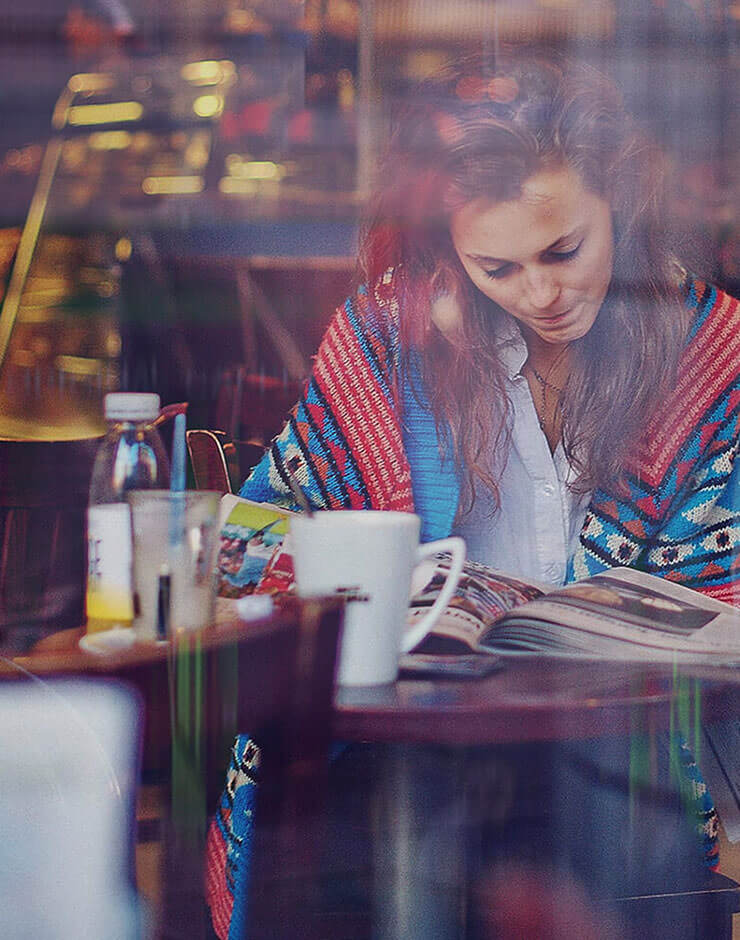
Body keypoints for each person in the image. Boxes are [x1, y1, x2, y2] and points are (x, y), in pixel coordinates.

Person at [209, 48, 737, 938]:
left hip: (627, 742)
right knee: (416, 797)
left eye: (565, 249)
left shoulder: (708, 353)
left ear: (623, 204)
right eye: (497, 268)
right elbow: (259, 532)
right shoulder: (389, 339)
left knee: (605, 798)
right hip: (431, 730)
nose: (541, 293)